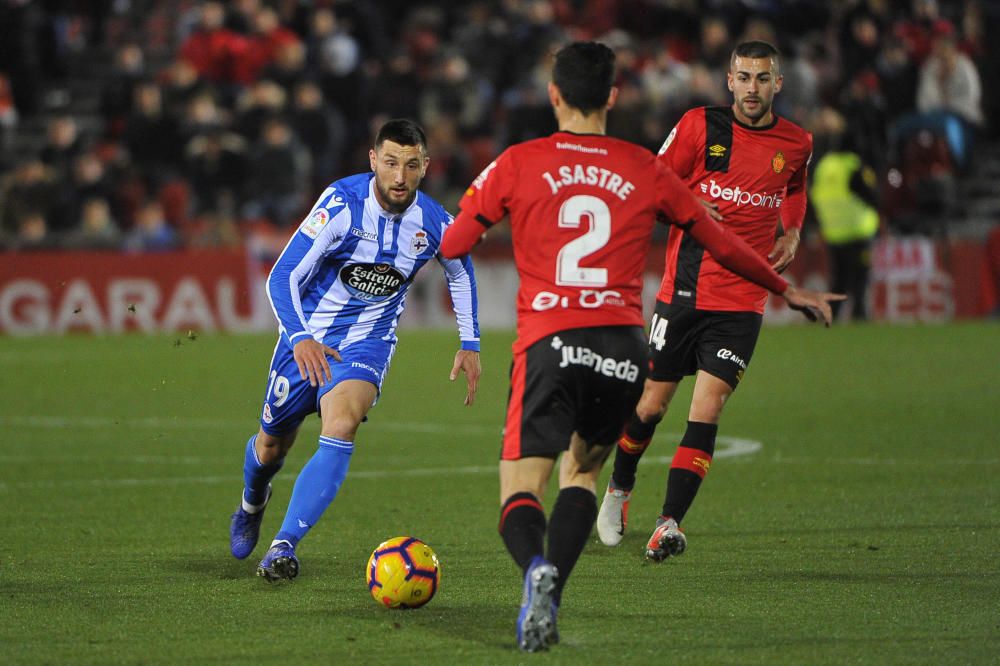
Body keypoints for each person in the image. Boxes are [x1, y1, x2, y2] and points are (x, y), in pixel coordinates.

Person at [440, 41, 841, 653]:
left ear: (554, 95)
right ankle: (556, 588)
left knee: (522, 489)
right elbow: (726, 243)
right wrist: (787, 288)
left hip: (548, 341)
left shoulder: (519, 162)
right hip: (620, 347)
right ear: (613, 97)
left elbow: (454, 242)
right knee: (582, 473)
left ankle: (534, 571)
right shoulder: (644, 168)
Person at [596, 40, 822, 563]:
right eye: (743, 78)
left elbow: (794, 187)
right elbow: (650, 189)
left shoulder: (797, 141)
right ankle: (619, 488)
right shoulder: (700, 126)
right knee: (651, 406)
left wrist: (792, 231)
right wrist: (689, 204)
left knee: (709, 407)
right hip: (684, 291)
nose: (752, 88)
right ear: (729, 80)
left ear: (777, 84)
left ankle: (668, 524)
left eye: (762, 79)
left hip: (743, 301)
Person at [229, 119, 481, 581]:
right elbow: (282, 276)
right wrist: (300, 337)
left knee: (341, 423)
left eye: (410, 165)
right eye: (390, 163)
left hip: (368, 342)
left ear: (425, 166)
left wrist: (470, 341)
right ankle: (252, 501)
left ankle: (284, 546)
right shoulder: (342, 204)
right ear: (373, 161)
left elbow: (460, 270)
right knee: (271, 445)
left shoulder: (434, 221)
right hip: (308, 339)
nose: (399, 177)